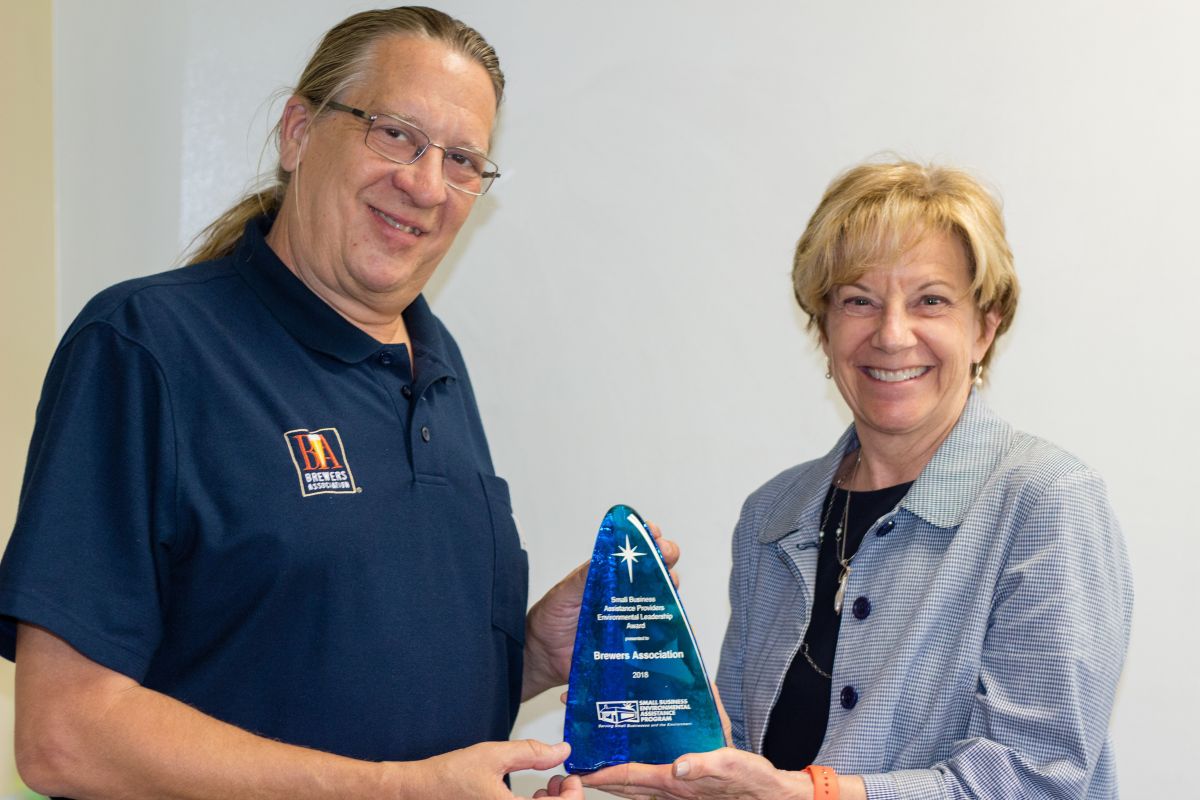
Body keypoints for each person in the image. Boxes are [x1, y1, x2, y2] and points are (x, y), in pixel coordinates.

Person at [0, 7, 661, 799]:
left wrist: (532, 658)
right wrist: (390, 788)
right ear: (298, 132)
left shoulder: (438, 368)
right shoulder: (148, 347)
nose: (423, 183)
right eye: (394, 134)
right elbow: (64, 734)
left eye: (461, 160)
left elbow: (331, 677)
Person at [568, 161, 1132, 800]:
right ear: (824, 324)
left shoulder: (1047, 501)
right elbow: (746, 756)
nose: (892, 335)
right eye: (859, 300)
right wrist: (680, 773)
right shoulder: (773, 515)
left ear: (986, 326)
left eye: (931, 300)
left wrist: (814, 796)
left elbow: (1036, 782)